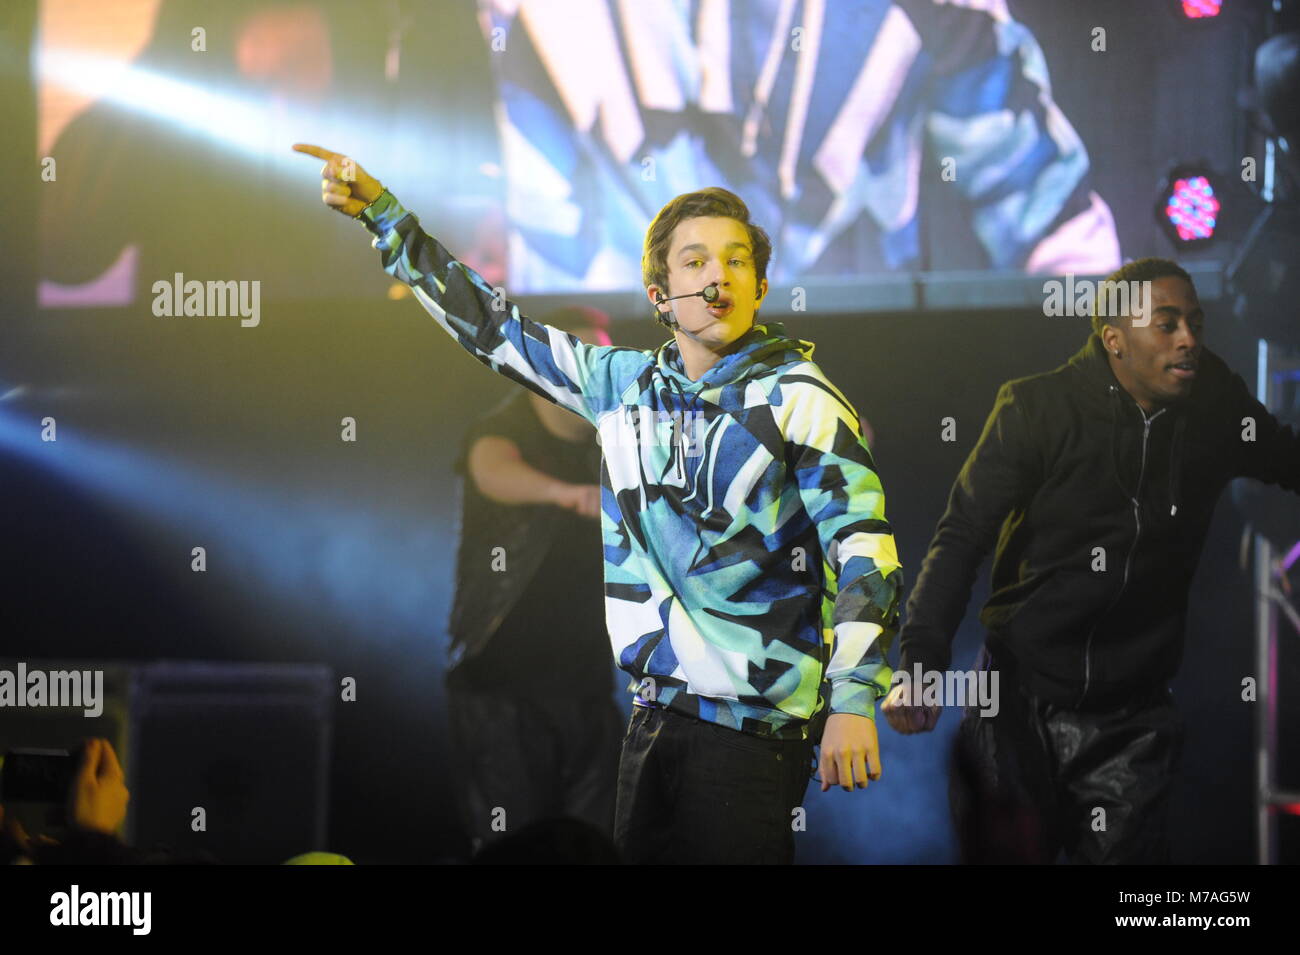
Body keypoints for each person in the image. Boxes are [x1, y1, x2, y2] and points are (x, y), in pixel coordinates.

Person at [292, 143, 904, 864]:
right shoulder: (622, 385)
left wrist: (855, 698)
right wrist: (387, 219)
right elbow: (495, 330)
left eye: (737, 260)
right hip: (649, 717)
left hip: (754, 732)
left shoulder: (801, 397)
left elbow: (866, 547)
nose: (718, 275)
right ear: (659, 294)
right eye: (696, 260)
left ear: (761, 285)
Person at [883, 257, 1300, 863]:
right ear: (1115, 340)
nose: (1188, 339)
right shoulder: (1036, 409)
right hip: (1016, 697)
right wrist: (920, 661)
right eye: (1166, 324)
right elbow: (961, 535)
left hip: (1133, 714)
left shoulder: (1215, 406)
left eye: (1195, 323)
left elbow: (1290, 459)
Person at [445, 305, 623, 854]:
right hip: (503, 686)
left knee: (595, 840)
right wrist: (565, 495)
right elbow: (489, 468)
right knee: (512, 842)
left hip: (590, 684)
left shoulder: (617, 435)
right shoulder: (504, 427)